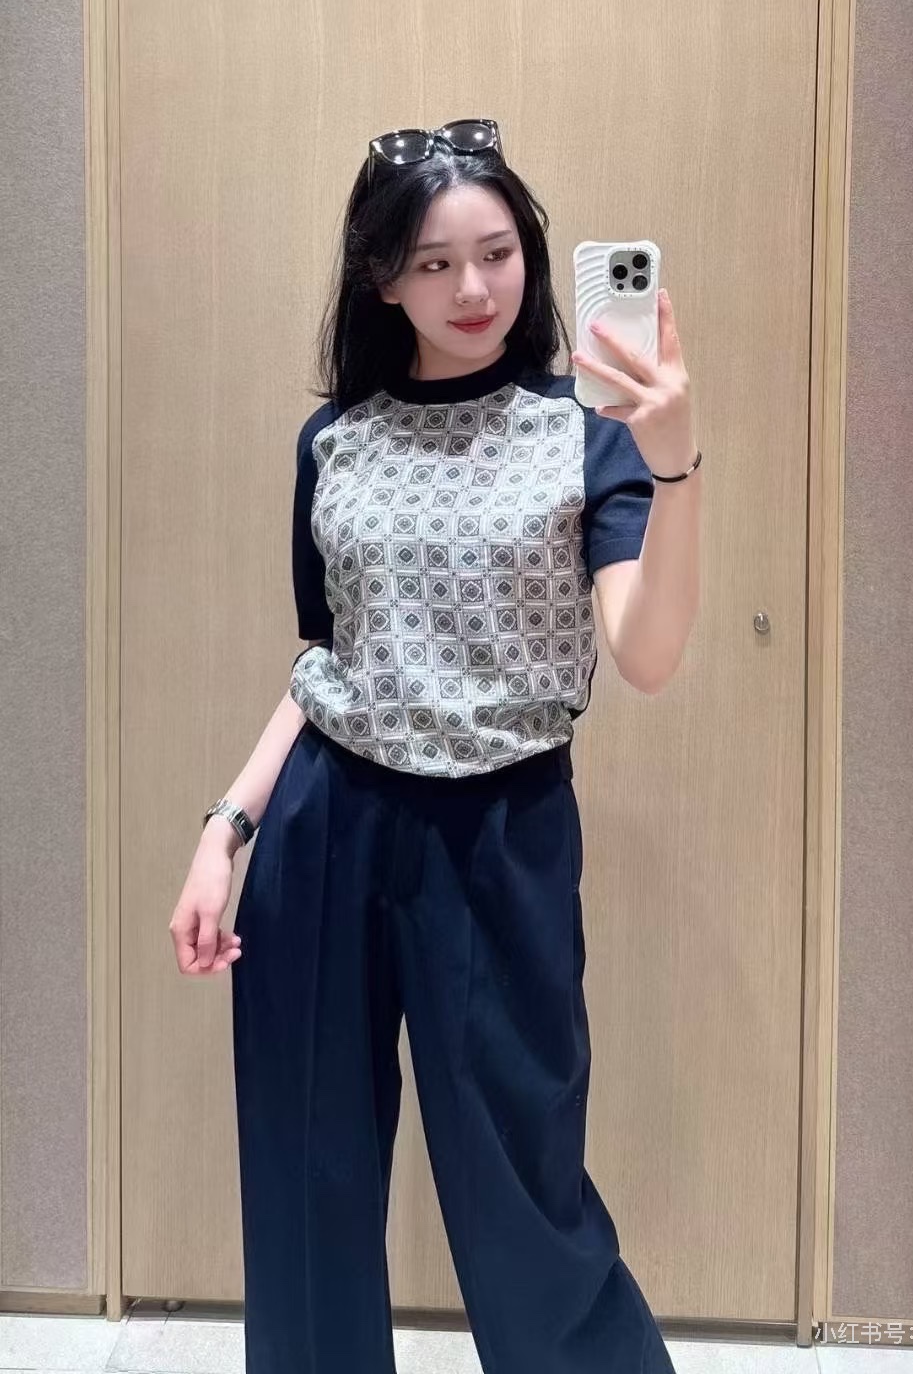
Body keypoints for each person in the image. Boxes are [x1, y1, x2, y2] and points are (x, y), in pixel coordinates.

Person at [169, 118, 701, 1374]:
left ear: (533, 256)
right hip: (326, 824)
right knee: (306, 1169)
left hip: (501, 833)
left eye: (498, 253)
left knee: (523, 1184)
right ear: (382, 279)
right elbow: (328, 666)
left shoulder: (585, 430)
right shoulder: (335, 443)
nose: (473, 288)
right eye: (433, 262)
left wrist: (676, 471)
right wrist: (226, 830)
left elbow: (646, 654)